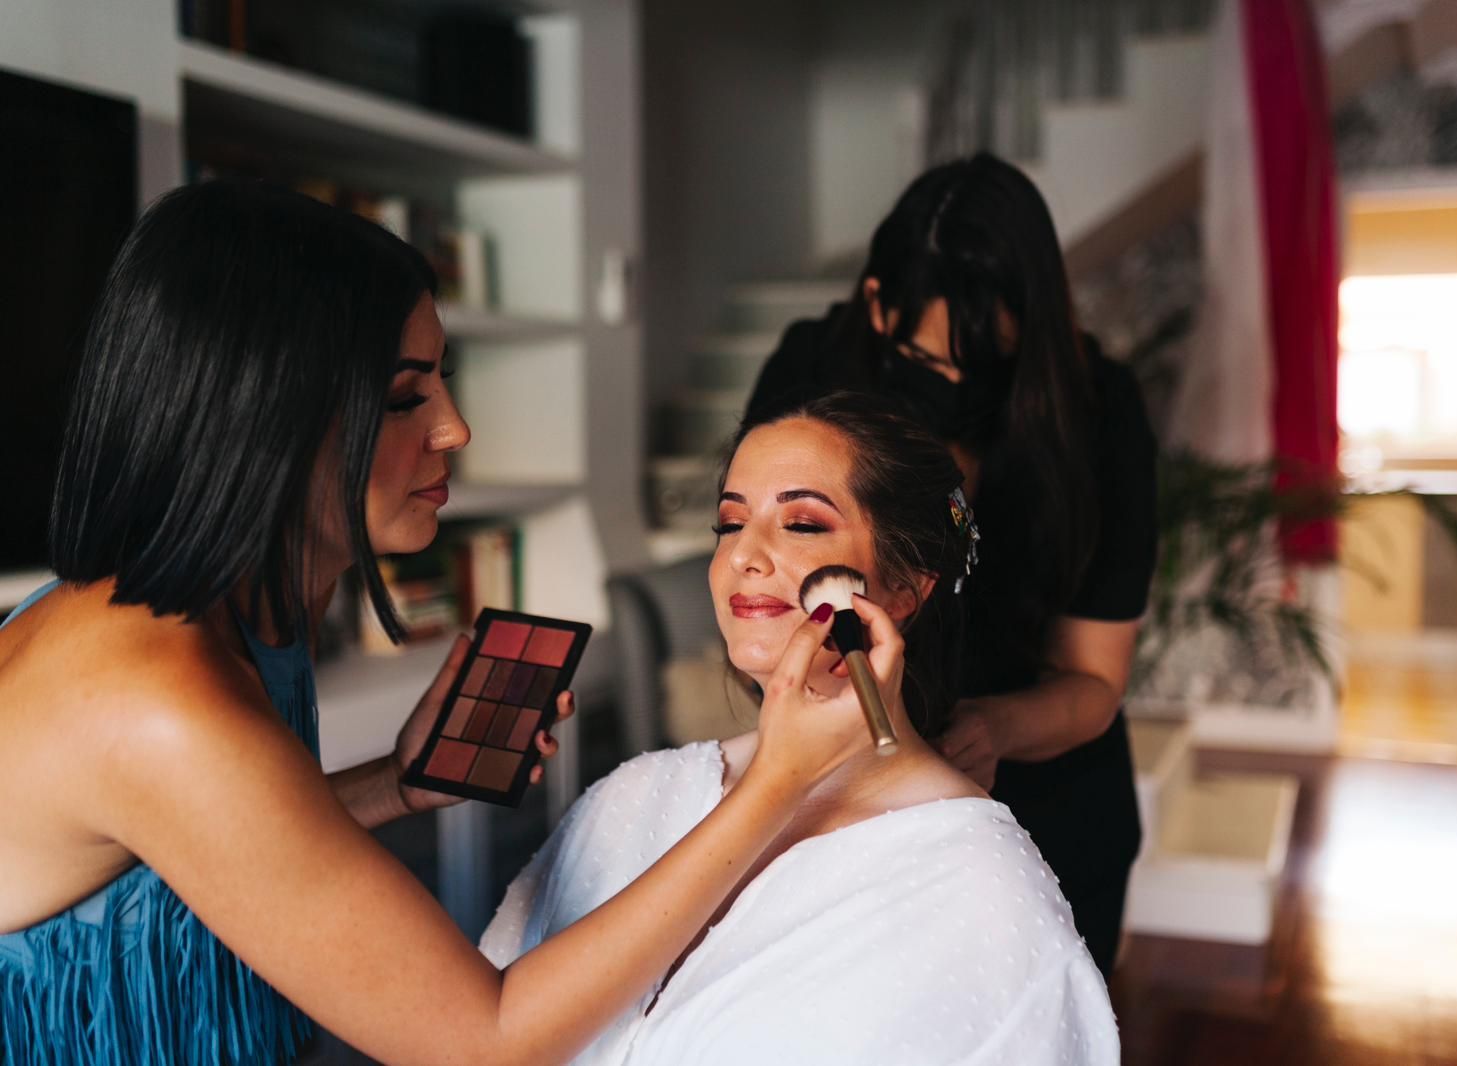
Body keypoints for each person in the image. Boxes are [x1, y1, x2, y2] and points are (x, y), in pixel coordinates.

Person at [0, 180, 881, 1066]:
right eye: (402, 399)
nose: (454, 430)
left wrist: (398, 784)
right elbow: (482, 1042)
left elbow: (208, 841)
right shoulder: (154, 697)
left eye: (441, 384)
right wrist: (780, 779)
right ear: (262, 417)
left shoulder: (223, 612)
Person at [482, 393, 1119, 1066]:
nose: (744, 555)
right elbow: (475, 1024)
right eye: (730, 523)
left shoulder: (982, 888)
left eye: (803, 524)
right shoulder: (633, 796)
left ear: (906, 589)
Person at [744, 153, 1158, 977]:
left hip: (1048, 807)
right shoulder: (813, 373)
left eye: (989, 363)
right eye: (932, 364)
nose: (960, 387)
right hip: (849, 798)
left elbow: (1094, 682)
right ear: (876, 305)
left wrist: (994, 728)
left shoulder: (1098, 412)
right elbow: (763, 579)